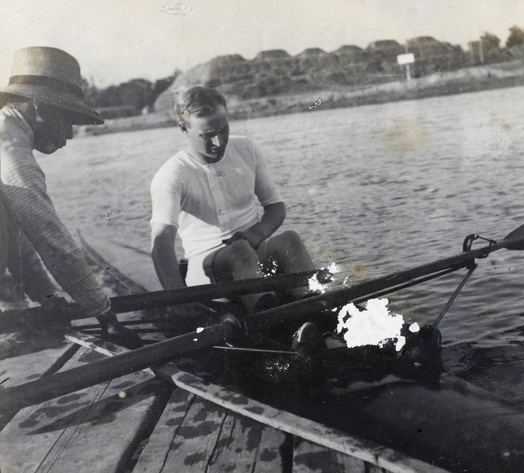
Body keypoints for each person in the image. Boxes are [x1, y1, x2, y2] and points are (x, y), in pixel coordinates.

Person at [0, 46, 143, 349]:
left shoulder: (9, 136)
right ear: (38, 106)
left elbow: (18, 242)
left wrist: (49, 299)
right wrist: (107, 317)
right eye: (66, 119)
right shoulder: (8, 151)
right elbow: (52, 242)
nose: (69, 137)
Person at [150, 86, 316, 315]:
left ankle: (318, 310)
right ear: (184, 129)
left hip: (254, 256)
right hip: (208, 273)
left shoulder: (246, 149)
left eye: (223, 129)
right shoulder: (171, 175)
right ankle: (277, 321)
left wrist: (257, 233)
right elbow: (161, 242)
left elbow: (275, 206)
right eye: (207, 135)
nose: (218, 142)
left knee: (289, 240)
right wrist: (178, 297)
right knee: (239, 251)